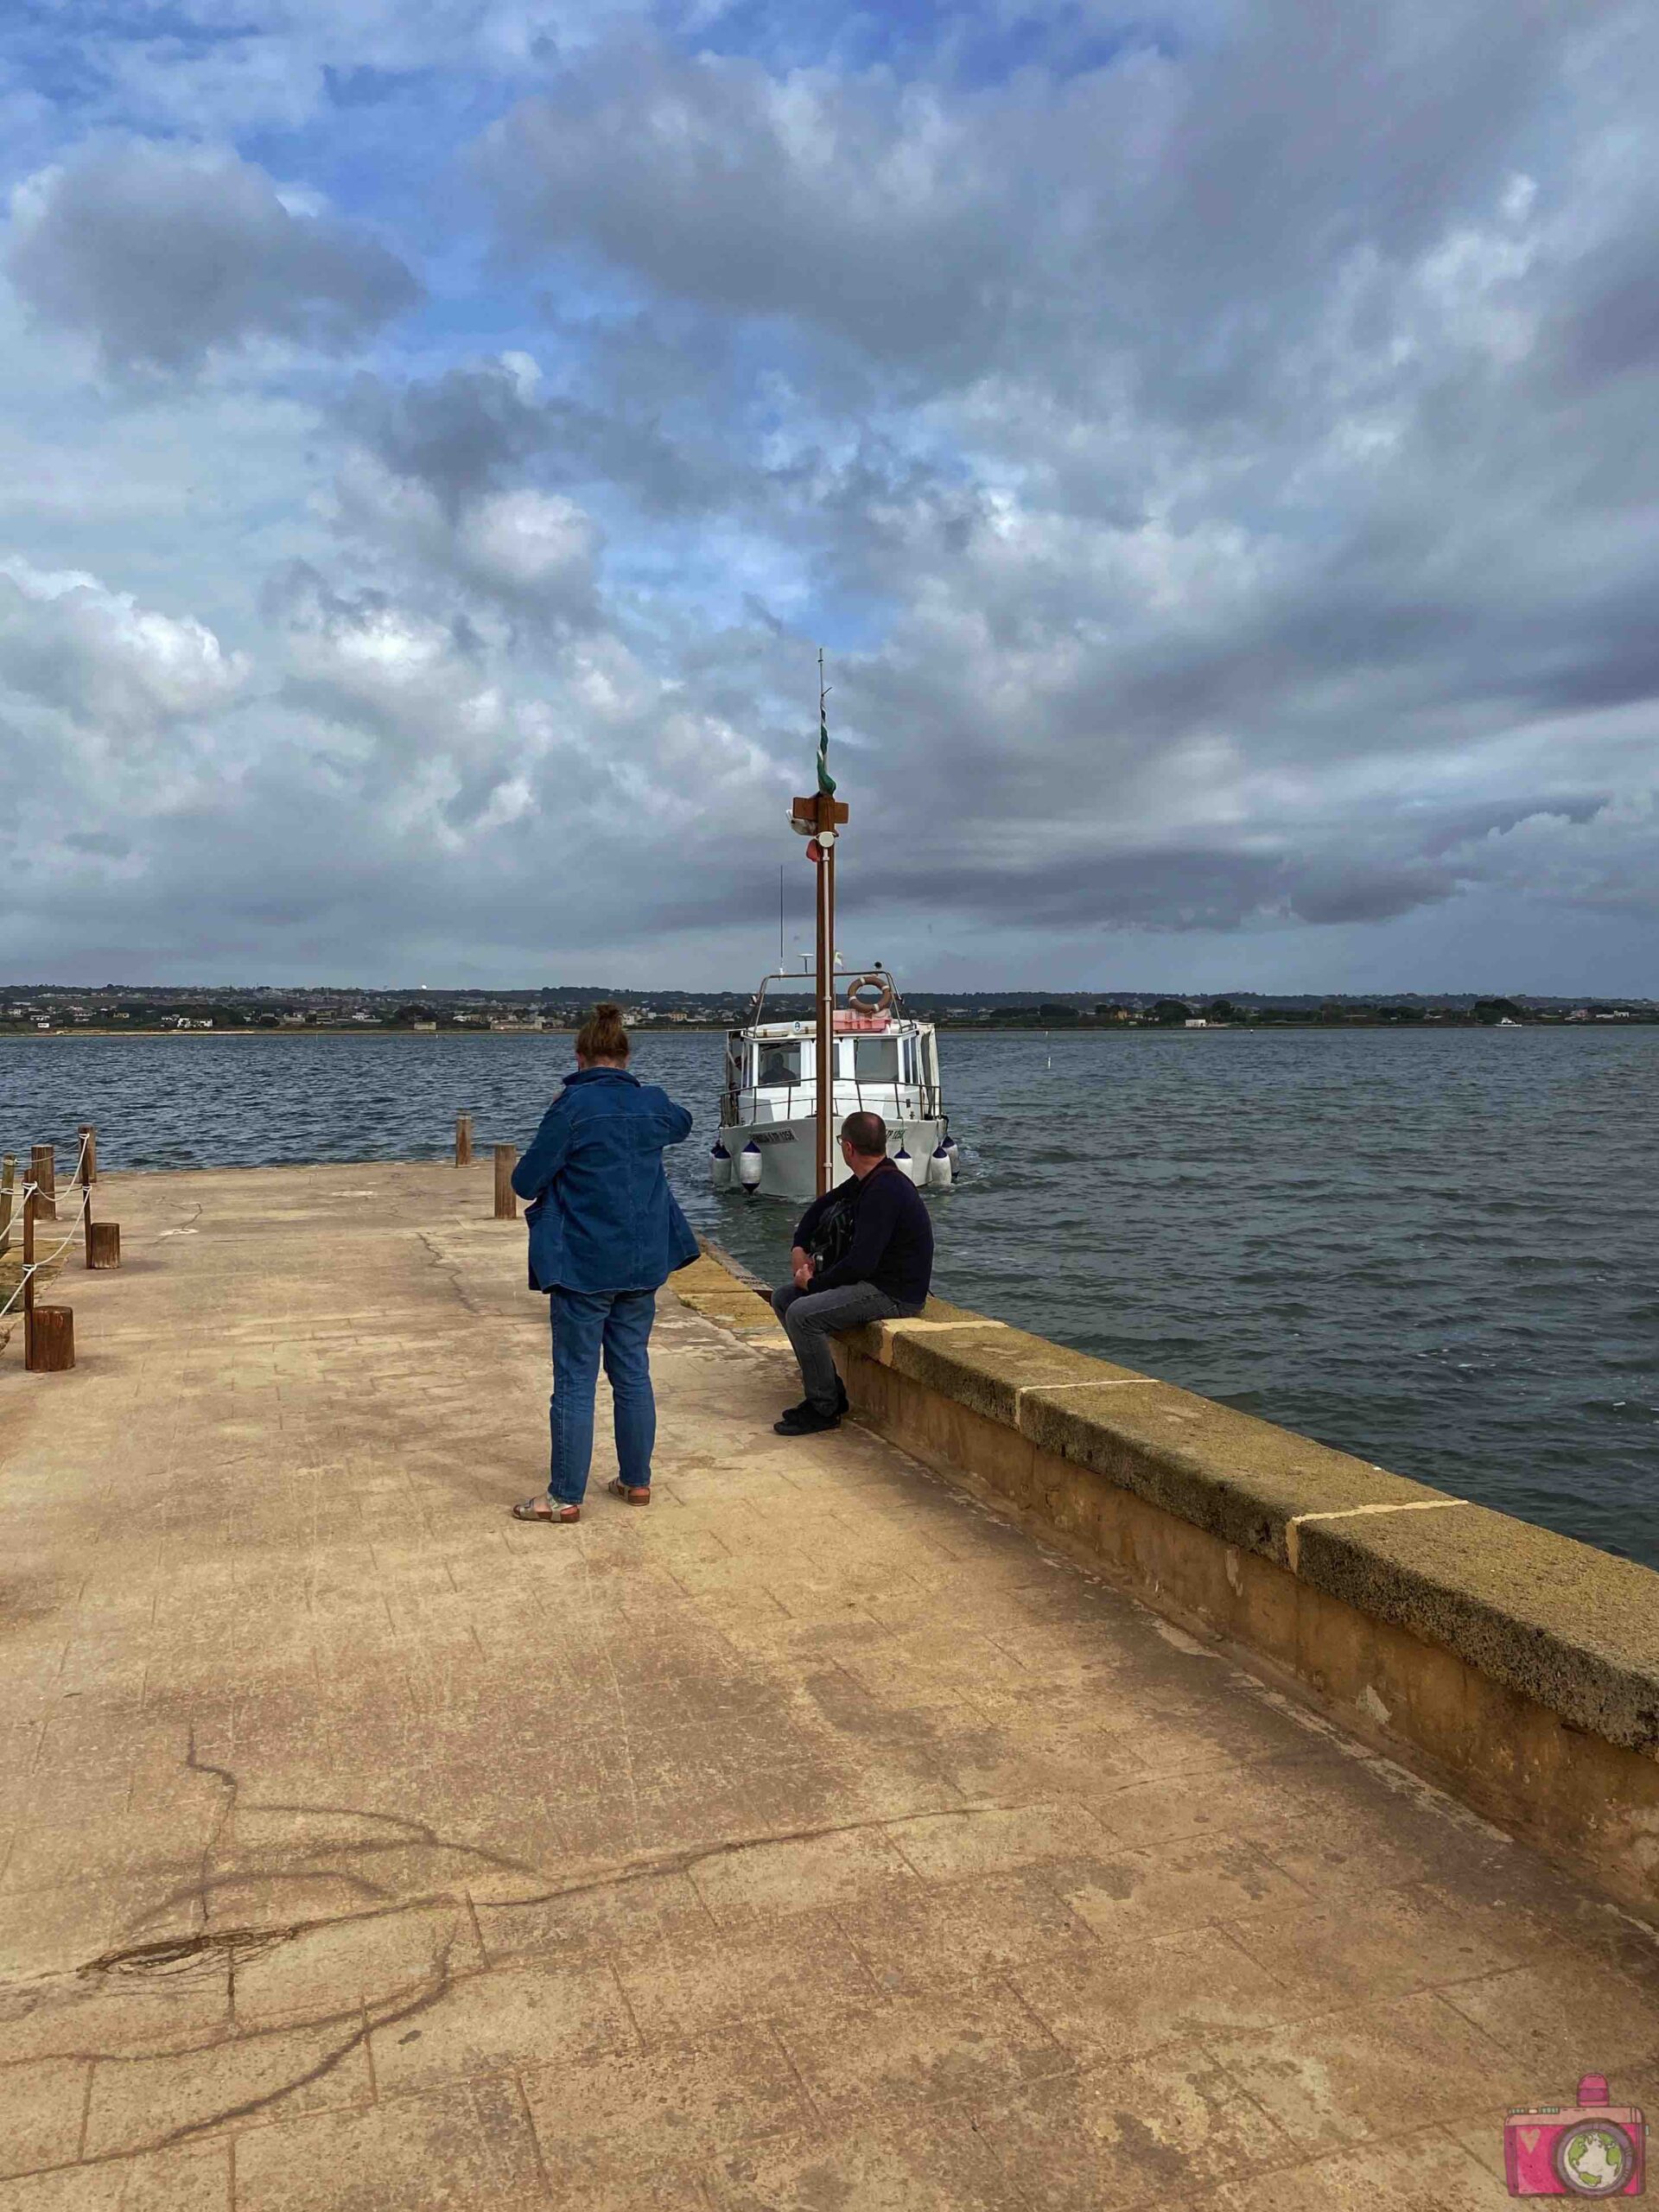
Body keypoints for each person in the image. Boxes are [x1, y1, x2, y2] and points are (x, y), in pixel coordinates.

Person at [509, 1003, 698, 1523]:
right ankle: (637, 1482)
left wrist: (561, 1106)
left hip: (583, 1262)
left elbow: (524, 1182)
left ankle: (565, 1496)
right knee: (632, 1370)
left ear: (579, 1055)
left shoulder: (571, 1107)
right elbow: (682, 1122)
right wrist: (641, 1105)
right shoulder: (651, 1103)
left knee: (574, 1379)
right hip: (642, 1262)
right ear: (626, 1055)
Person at [771, 1110, 933, 1435]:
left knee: (803, 1313)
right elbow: (820, 1207)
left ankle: (823, 1407)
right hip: (873, 1281)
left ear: (847, 1148)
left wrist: (814, 1283)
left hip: (894, 1294)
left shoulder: (884, 1191)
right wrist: (799, 1247)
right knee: (784, 1298)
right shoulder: (869, 1179)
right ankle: (831, 1391)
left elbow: (862, 1263)